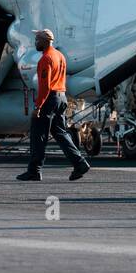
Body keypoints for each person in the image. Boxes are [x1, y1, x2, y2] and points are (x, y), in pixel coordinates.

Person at [17, 29, 91, 181]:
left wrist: (38, 106)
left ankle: (34, 170)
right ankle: (80, 163)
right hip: (61, 97)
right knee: (60, 133)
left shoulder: (46, 58)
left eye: (37, 39)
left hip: (49, 98)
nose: (35, 42)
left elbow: (44, 86)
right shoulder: (60, 56)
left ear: (45, 40)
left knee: (38, 135)